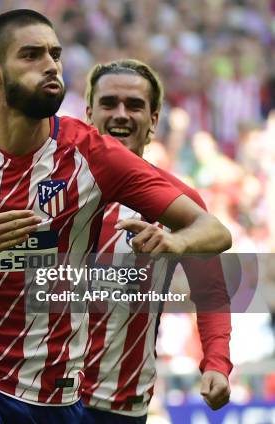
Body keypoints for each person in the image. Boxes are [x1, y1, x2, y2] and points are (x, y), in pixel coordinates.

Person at [0, 9, 231, 424]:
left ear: (154, 120)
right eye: (32, 55)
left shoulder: (103, 164)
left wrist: (216, 359)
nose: (51, 65)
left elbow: (215, 259)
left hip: (76, 396)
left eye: (55, 54)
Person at [80, 59, 232, 424]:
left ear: (153, 119)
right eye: (109, 103)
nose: (121, 115)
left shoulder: (181, 205)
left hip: (119, 404)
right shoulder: (53, 188)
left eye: (134, 105)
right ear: (89, 114)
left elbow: (211, 292)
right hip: (41, 396)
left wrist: (216, 362)